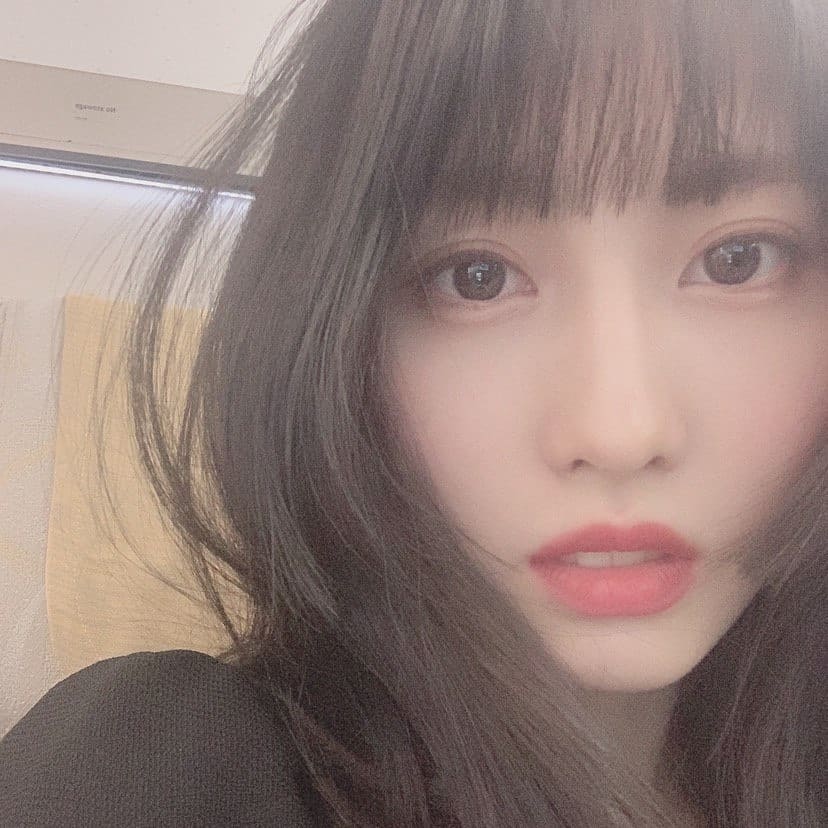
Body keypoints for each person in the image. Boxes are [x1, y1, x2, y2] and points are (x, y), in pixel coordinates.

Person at [1, 0, 826, 825]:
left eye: (737, 260)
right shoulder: (163, 767)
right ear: (335, 341)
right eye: (476, 278)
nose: (619, 433)